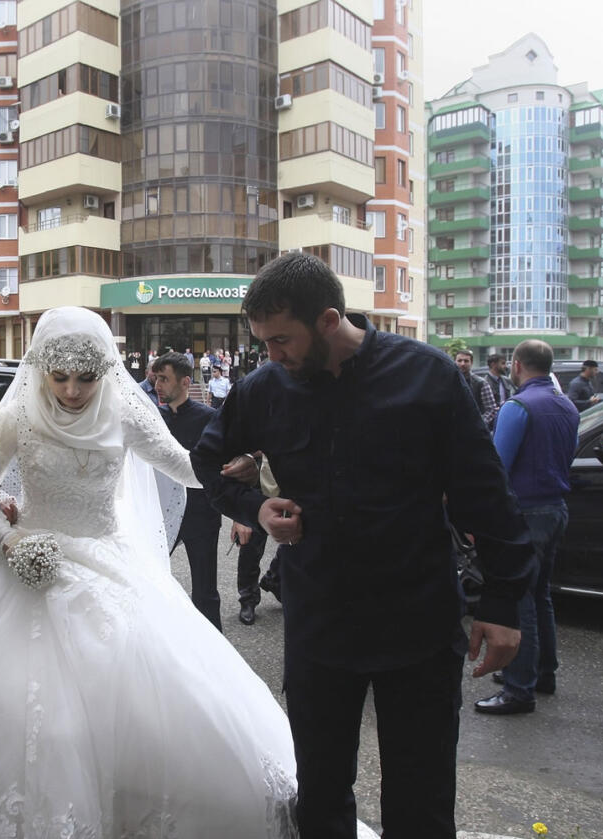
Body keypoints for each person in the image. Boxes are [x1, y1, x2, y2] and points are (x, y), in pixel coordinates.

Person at [0, 306, 298, 838]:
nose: (72, 391)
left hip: (107, 561)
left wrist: (233, 466)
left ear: (106, 372)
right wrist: (12, 539)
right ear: (42, 368)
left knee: (147, 701)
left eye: (87, 379)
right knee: (19, 711)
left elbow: (181, 464)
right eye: (61, 377)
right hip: (30, 563)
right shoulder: (19, 413)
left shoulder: (123, 411)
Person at [192, 252, 531, 839]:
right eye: (263, 342)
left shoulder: (427, 375)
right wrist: (256, 509)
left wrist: (503, 605)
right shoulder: (266, 387)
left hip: (418, 625)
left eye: (281, 340)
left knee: (420, 800)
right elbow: (207, 460)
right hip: (319, 624)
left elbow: (485, 494)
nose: (271, 354)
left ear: (328, 320)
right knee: (320, 795)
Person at [476, 340, 580, 716]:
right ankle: (543, 673)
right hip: (556, 509)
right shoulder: (566, 405)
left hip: (525, 513)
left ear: (516, 365)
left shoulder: (518, 407)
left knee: (520, 601)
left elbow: (497, 468)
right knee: (541, 596)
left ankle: (519, 689)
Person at [152, 351, 223, 629]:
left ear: (184, 382)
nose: (157, 385)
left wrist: (240, 517)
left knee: (205, 591)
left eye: (164, 379)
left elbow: (226, 465)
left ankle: (215, 657)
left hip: (201, 515)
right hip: (159, 515)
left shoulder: (209, 418)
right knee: (151, 580)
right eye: (156, 378)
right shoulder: (152, 418)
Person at [234, 456, 282, 626]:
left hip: (294, 480)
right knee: (251, 546)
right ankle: (248, 598)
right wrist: (237, 515)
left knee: (295, 541)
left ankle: (275, 578)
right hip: (260, 478)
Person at [455, 349, 498, 430]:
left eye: (466, 361)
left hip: (475, 432)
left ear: (471, 363)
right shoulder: (450, 381)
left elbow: (491, 409)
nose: (462, 364)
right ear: (455, 362)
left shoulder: (481, 383)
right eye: (459, 360)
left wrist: (478, 424)